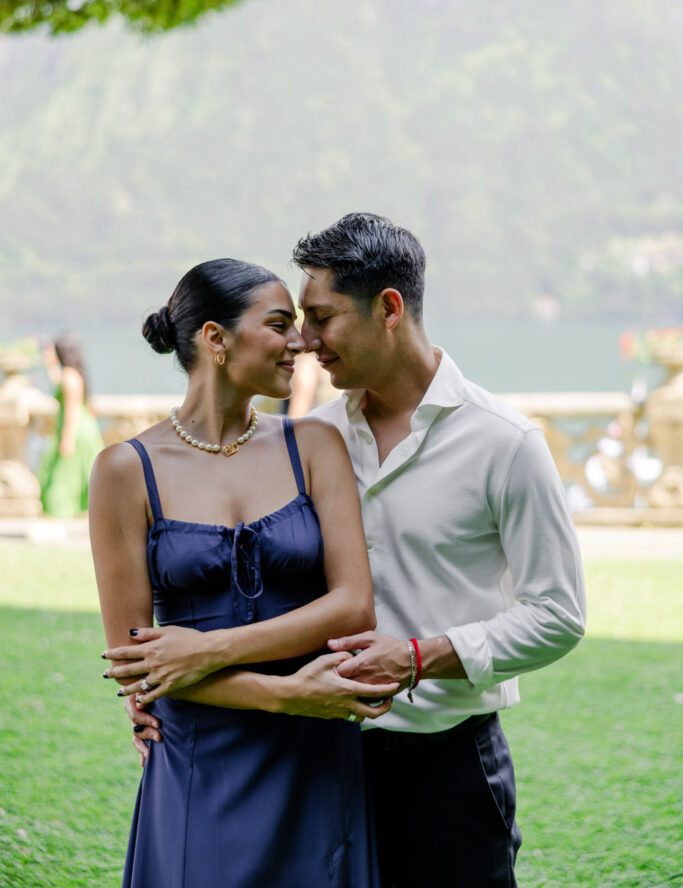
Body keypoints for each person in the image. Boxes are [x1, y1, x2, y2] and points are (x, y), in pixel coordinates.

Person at [116, 217, 586, 887]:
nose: (304, 342)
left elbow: (557, 615)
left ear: (388, 309)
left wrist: (421, 658)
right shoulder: (305, 440)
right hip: (305, 755)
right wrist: (178, 683)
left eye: (321, 318)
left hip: (442, 764)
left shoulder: (504, 443)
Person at [92, 258, 395, 888]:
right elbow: (135, 660)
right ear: (215, 338)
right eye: (281, 324)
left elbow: (352, 606)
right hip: (203, 754)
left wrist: (208, 649)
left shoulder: (312, 445)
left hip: (314, 752)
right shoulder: (125, 469)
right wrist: (287, 695)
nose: (302, 343)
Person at [39, 333, 103, 517]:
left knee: (61, 478)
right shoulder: (73, 374)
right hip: (82, 430)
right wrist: (50, 364)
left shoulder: (69, 377)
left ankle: (59, 517)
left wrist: (66, 440)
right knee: (74, 476)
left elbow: (71, 410)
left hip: (74, 431)